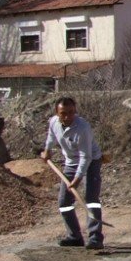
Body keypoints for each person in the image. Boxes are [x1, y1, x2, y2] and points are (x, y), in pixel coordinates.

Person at [40, 97, 105, 249]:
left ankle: (95, 238)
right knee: (64, 202)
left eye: (71, 112)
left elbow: (85, 156)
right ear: (57, 113)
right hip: (71, 162)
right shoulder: (53, 122)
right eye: (64, 113)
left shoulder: (83, 128)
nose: (68, 117)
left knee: (91, 199)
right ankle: (74, 236)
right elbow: (51, 136)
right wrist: (47, 150)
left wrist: (77, 179)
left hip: (91, 161)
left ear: (75, 111)